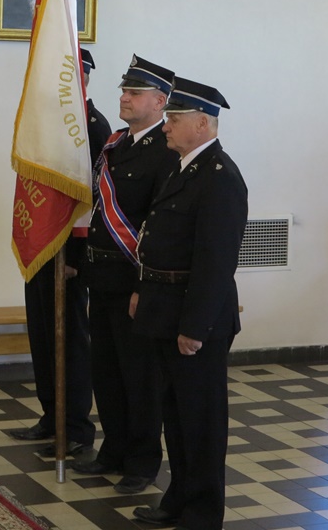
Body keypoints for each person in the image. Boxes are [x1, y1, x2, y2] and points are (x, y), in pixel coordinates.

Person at [130, 77, 248, 530]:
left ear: (202, 124)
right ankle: (178, 497)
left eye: (174, 119)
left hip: (196, 320)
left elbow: (215, 262)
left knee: (201, 421)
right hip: (165, 308)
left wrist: (195, 328)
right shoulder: (182, 168)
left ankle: (202, 512)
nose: (165, 126)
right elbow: (158, 239)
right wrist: (142, 290)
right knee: (175, 416)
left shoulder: (220, 178)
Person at [71, 55, 178, 495]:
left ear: (160, 102)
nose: (124, 97)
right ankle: (113, 450)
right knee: (107, 371)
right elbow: (98, 210)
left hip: (134, 280)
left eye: (134, 92)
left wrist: (142, 285)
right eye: (124, 90)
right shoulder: (117, 143)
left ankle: (142, 460)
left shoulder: (166, 152)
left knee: (140, 376)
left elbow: (159, 225)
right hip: (101, 275)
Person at [5, 49, 109, 456]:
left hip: (72, 256)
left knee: (71, 343)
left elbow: (95, 200)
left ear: (79, 79)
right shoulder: (45, 127)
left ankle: (76, 427)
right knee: (43, 337)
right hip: (43, 250)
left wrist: (79, 261)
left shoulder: (93, 127)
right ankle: (52, 416)